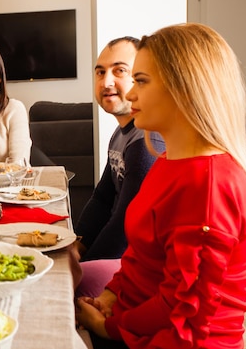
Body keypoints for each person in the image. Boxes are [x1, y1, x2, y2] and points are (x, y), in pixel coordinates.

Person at [76, 23, 246, 349]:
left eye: (140, 81)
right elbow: (141, 258)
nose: (129, 93)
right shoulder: (168, 159)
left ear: (186, 87)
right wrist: (112, 294)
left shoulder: (210, 184)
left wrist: (110, 327)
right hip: (137, 321)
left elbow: (182, 309)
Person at [73, 37, 165, 297]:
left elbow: (126, 222)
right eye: (100, 72)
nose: (106, 81)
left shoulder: (148, 140)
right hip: (116, 254)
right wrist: (78, 242)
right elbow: (102, 197)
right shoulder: (122, 132)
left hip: (133, 262)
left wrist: (84, 261)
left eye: (119, 71)